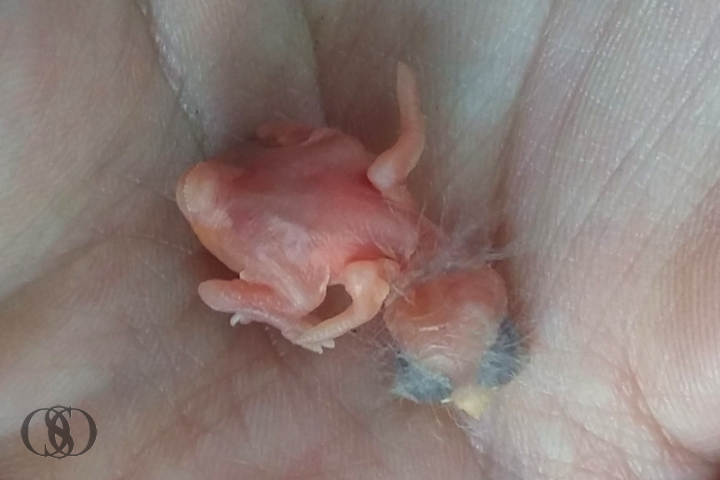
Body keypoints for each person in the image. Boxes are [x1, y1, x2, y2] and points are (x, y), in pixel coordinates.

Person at [1, 1, 719, 477]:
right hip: (249, 208)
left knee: (325, 214)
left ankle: (253, 222)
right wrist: (302, 322)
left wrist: (408, 113)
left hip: (256, 191)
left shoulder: (390, 230)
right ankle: (246, 269)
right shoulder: (379, 274)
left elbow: (394, 158)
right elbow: (348, 288)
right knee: (301, 280)